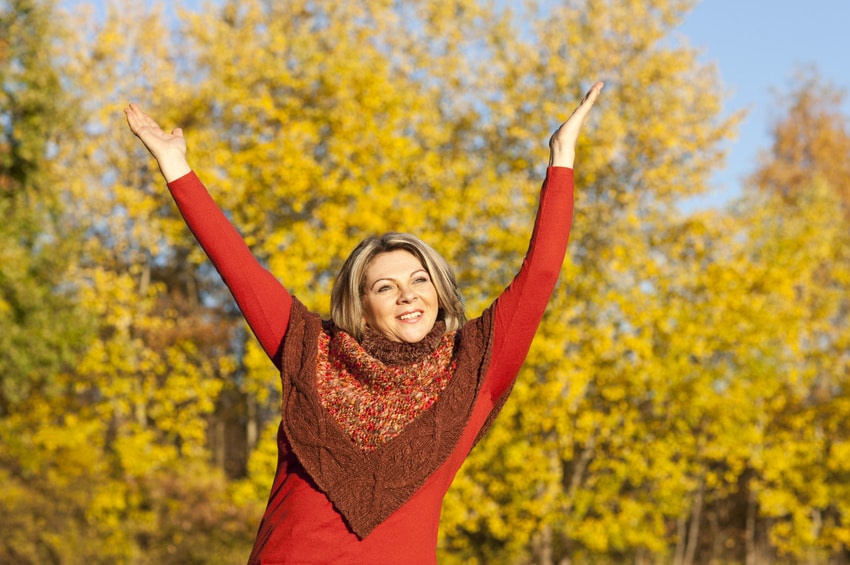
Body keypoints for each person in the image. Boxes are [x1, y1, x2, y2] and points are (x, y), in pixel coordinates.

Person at [125, 80, 603, 564]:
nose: (408, 295)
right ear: (360, 304)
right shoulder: (311, 349)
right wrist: (177, 168)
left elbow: (540, 274)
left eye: (420, 280)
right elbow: (240, 270)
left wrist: (561, 159)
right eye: (385, 287)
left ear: (438, 291)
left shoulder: (473, 365)